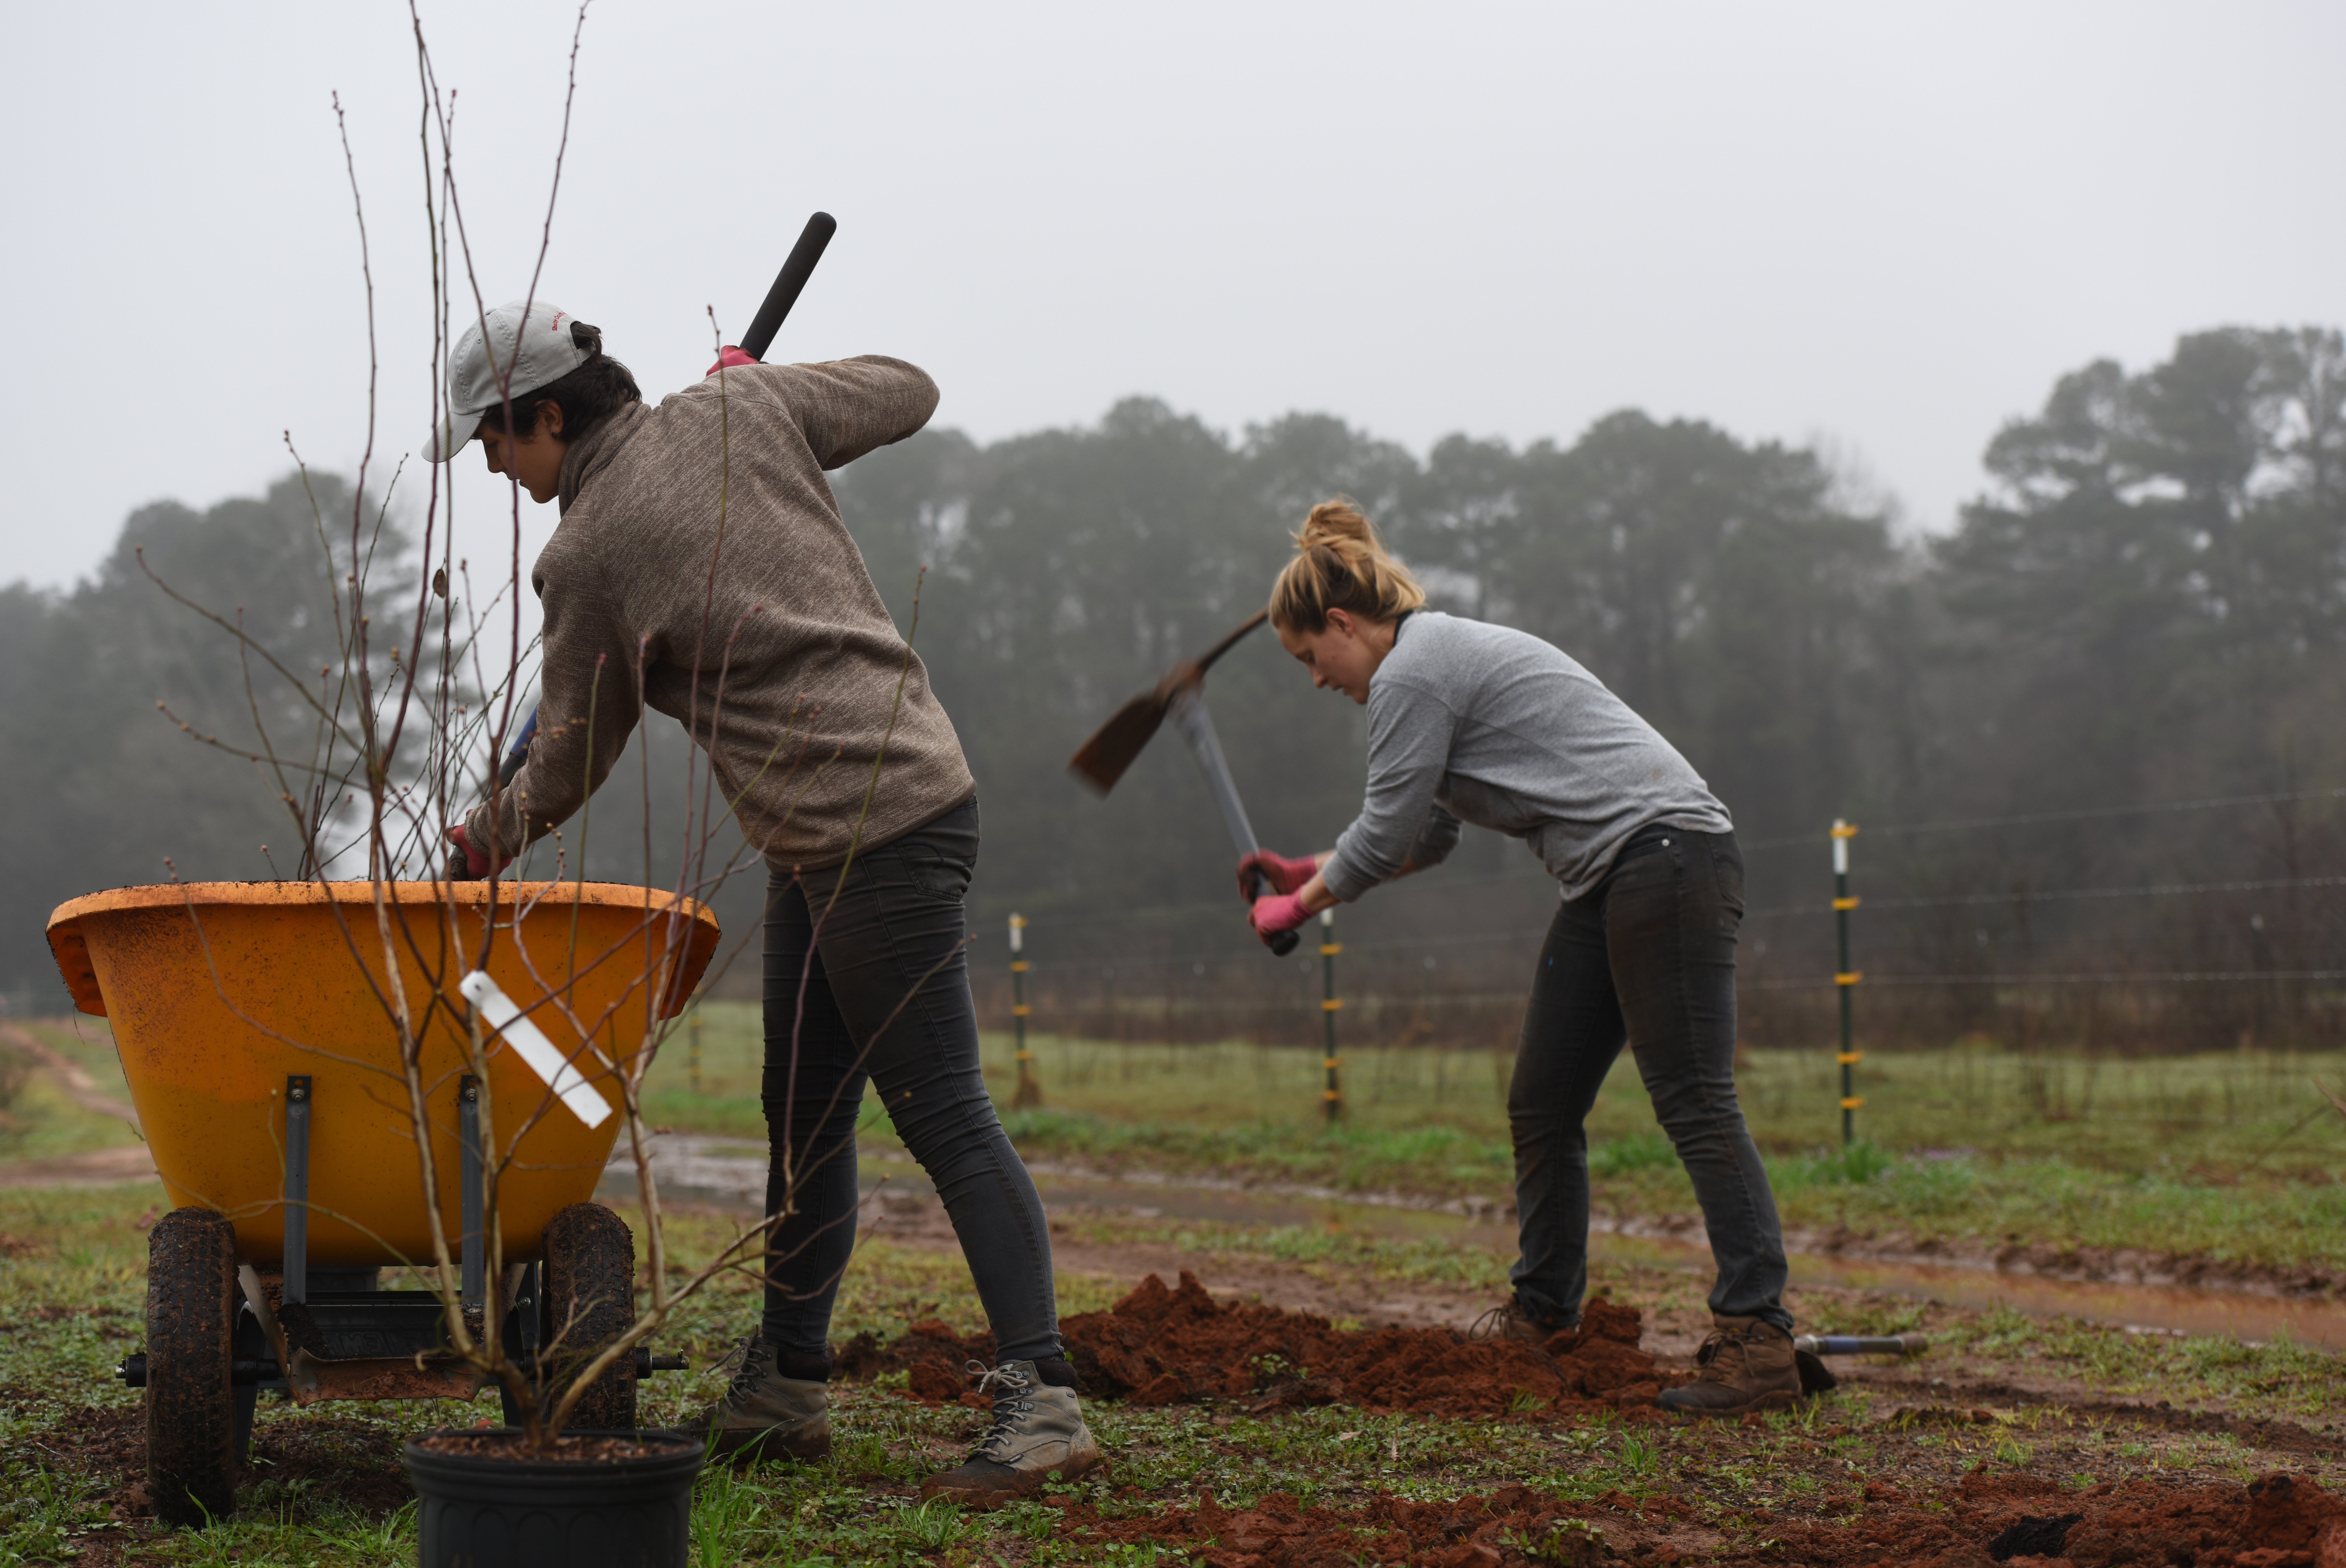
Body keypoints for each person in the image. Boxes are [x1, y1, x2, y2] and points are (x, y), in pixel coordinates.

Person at [429, 299, 1100, 1496]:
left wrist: (480, 841)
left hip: (871, 824)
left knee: (941, 1109)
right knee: (803, 1108)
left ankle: (1040, 1399)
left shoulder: (586, 555)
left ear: (543, 415)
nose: (491, 465)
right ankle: (787, 1381)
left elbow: (573, 757)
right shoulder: (741, 412)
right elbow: (912, 387)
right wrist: (764, 386)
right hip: (863, 812)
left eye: (492, 441)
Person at [1239, 500, 1800, 1417]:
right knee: (1542, 1104)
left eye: (1311, 657)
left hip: (1667, 858)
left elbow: (1382, 839)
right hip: (1615, 877)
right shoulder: (1430, 663)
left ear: (1344, 624)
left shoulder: (1414, 673)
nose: (1314, 679)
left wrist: (1294, 905)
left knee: (1695, 1099)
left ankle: (1759, 1339)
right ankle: (1543, 1314)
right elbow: (1430, 838)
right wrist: (1309, 869)